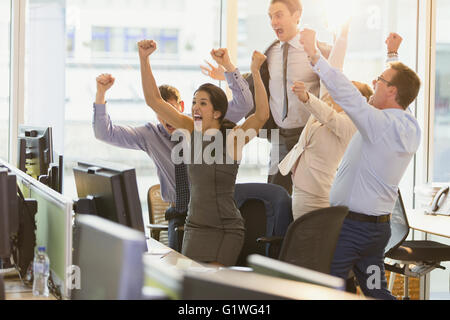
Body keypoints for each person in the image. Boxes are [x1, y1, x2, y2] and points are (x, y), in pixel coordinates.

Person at [92, 47, 254, 252]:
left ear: (180, 106)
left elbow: (245, 103)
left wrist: (228, 66)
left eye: (169, 111)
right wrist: (100, 94)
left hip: (213, 212)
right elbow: (104, 133)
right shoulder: (149, 135)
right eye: (161, 114)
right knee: (180, 265)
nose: (165, 119)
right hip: (179, 215)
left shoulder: (201, 122)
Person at [300, 28, 421, 299]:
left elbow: (346, 94)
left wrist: (313, 55)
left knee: (326, 289)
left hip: (351, 231)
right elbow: (404, 88)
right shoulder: (409, 124)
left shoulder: (379, 124)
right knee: (376, 291)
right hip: (377, 232)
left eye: (379, 80)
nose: (374, 82)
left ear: (391, 91)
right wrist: (392, 54)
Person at [138, 39, 270, 266]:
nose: (195, 107)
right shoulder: (189, 129)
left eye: (203, 103)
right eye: (193, 102)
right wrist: (144, 58)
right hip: (194, 227)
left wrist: (256, 73)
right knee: (189, 286)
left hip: (225, 229)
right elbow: (154, 100)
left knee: (209, 286)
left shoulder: (232, 138)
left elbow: (261, 116)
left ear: (217, 112)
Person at [278, 24, 373, 220]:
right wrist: (343, 35)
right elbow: (333, 69)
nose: (342, 91)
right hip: (300, 186)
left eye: (350, 89)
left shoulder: (352, 124)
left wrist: (306, 98)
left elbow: (328, 117)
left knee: (312, 244)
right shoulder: (329, 101)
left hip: (316, 194)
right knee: (303, 242)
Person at [243, 0, 331, 195]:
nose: (274, 22)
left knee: (308, 195)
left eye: (279, 15)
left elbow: (334, 86)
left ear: (297, 15)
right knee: (275, 196)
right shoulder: (270, 52)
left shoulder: (317, 50)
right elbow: (258, 85)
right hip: (279, 136)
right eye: (270, 16)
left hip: (309, 136)